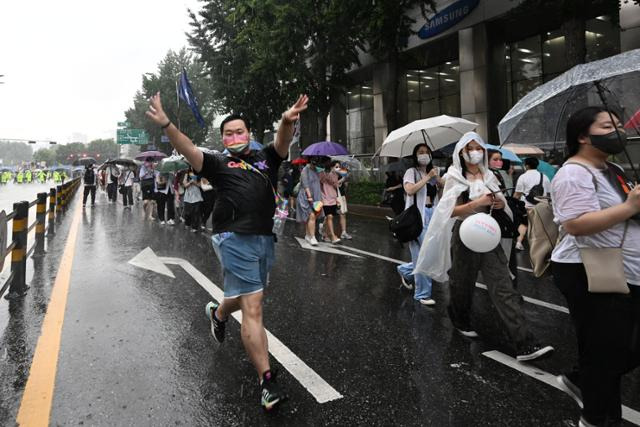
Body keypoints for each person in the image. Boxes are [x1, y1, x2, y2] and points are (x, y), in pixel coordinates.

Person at [146, 91, 308, 411]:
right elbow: (189, 148)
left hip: (263, 238)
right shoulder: (218, 162)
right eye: (228, 133)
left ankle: (218, 312)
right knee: (254, 306)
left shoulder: (266, 157)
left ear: (249, 134)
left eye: (240, 131)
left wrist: (287, 121)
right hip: (232, 237)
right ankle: (267, 383)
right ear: (222, 138)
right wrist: (167, 124)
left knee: (250, 294)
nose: (235, 137)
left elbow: (282, 142)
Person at [415, 132, 554, 361]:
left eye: (478, 147)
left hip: (489, 234)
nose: (474, 152)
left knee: (503, 285)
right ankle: (459, 317)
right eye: (469, 148)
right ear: (461, 152)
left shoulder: (490, 175)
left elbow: (500, 203)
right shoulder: (454, 176)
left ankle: (525, 342)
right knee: (462, 283)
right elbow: (449, 210)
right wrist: (476, 203)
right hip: (464, 234)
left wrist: (499, 202)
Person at [550, 106, 640, 426]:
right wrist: (630, 207)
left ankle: (581, 379)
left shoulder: (612, 169)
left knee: (615, 349)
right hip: (590, 269)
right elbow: (576, 224)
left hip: (625, 268)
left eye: (619, 124)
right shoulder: (574, 173)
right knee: (607, 349)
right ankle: (597, 417)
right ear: (583, 136)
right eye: (608, 125)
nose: (618, 130)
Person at [397, 144, 440, 306]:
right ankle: (422, 293)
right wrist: (428, 177)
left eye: (427, 152)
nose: (424, 155)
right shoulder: (411, 172)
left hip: (432, 215)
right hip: (417, 218)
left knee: (430, 254)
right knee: (423, 256)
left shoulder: (432, 172)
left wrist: (438, 180)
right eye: (420, 152)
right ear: (415, 156)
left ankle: (406, 270)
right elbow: (409, 190)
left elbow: (439, 193)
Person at [513, 157, 551, 251]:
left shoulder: (523, 177)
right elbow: (549, 194)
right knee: (539, 227)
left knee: (523, 224)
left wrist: (513, 203)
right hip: (541, 207)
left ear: (526, 165)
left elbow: (517, 194)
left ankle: (519, 243)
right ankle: (540, 247)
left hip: (526, 206)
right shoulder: (544, 177)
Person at [296, 157, 324, 246]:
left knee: (312, 217)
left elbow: (318, 183)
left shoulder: (316, 170)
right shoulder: (305, 170)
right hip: (306, 196)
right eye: (314, 160)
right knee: (311, 215)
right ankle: (312, 237)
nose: (316, 162)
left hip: (316, 196)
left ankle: (308, 235)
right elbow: (305, 184)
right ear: (310, 160)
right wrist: (309, 196)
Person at [319, 160, 342, 244]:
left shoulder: (336, 175)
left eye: (339, 167)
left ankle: (324, 232)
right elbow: (321, 181)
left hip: (333, 198)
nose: (338, 168)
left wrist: (343, 178)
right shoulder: (322, 173)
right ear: (331, 167)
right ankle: (332, 236)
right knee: (329, 217)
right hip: (325, 198)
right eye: (336, 167)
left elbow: (335, 185)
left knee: (329, 217)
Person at [182, 167, 203, 232]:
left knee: (196, 212)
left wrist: (195, 183)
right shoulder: (187, 174)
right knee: (188, 212)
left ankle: (195, 227)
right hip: (188, 196)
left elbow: (200, 185)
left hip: (197, 196)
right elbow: (185, 185)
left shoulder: (199, 174)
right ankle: (187, 223)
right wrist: (190, 182)